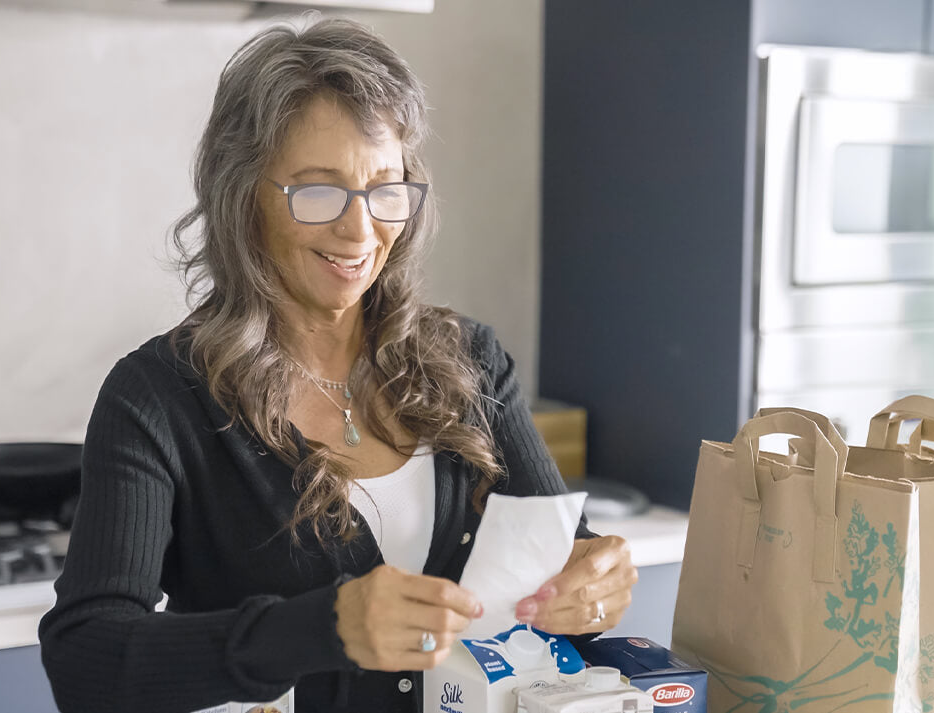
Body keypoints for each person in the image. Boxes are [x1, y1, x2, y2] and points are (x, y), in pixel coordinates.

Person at [38, 16, 636, 713]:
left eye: (385, 188)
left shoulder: (470, 360)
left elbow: (559, 552)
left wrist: (593, 584)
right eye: (318, 192)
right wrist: (323, 626)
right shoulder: (156, 399)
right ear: (244, 198)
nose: (359, 231)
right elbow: (85, 659)